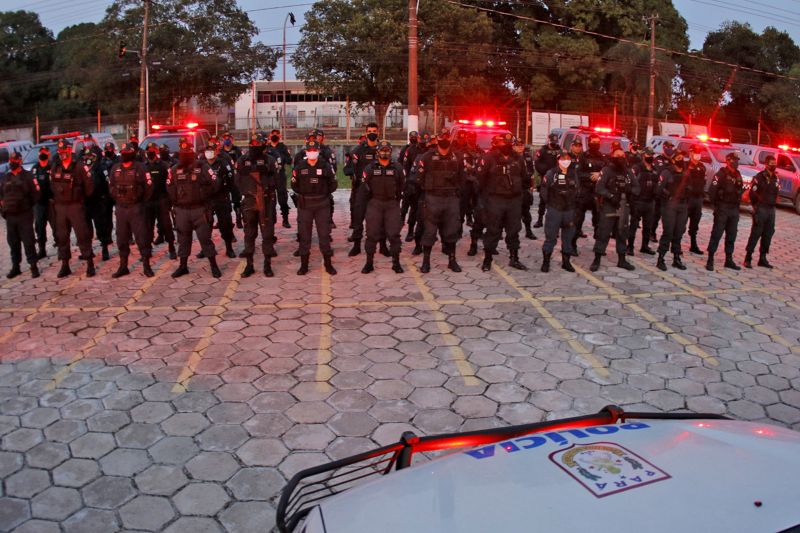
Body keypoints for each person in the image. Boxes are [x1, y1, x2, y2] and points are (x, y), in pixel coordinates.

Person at [167, 137, 221, 278]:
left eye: (188, 150)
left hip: (199, 209)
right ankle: (183, 266)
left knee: (205, 239)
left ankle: (214, 265)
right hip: (182, 210)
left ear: (193, 151)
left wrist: (204, 194)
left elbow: (215, 182)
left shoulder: (202, 166)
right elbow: (169, 186)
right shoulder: (174, 169)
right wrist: (176, 201)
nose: (185, 153)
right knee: (183, 239)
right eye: (183, 150)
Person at [415, 129, 464, 273]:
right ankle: (426, 262)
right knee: (429, 231)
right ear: (437, 139)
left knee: (451, 230)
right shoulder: (427, 157)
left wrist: (457, 194)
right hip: (433, 198)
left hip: (451, 198)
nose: (444, 139)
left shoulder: (457, 157)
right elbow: (419, 178)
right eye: (441, 137)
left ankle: (452, 261)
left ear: (450, 139)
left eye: (447, 137)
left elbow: (462, 177)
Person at [478, 133, 528, 272]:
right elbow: (480, 179)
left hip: (513, 200)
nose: (505, 146)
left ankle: (514, 258)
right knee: (493, 230)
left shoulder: (518, 158)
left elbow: (524, 177)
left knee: (514, 230)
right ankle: (488, 259)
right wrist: (485, 199)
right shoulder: (489, 158)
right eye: (503, 143)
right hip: (495, 199)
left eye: (508, 143)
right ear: (498, 144)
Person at [354, 140, 405, 274]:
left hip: (391, 204)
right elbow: (363, 188)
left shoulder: (397, 168)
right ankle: (369, 263)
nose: (384, 152)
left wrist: (396, 201)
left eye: (387, 150)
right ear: (377, 152)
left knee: (394, 235)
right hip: (375, 204)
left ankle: (396, 263)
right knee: (371, 235)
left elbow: (401, 186)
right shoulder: (370, 168)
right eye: (382, 150)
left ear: (391, 151)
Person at [235, 134, 280, 278]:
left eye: (258, 143)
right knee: (249, 234)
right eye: (252, 143)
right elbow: (238, 180)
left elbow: (276, 179)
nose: (255, 146)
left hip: (265, 200)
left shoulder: (270, 160)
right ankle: (249, 265)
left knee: (267, 234)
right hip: (249, 201)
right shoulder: (242, 160)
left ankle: (267, 265)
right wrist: (248, 192)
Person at [51, 139, 96, 278]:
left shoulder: (79, 166)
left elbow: (89, 187)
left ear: (69, 150)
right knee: (62, 237)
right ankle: (65, 265)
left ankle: (90, 263)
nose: (62, 154)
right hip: (60, 207)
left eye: (64, 151)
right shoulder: (55, 167)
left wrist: (80, 199)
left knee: (82, 235)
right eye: (60, 151)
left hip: (75, 206)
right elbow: (52, 185)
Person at [291, 140, 338, 275]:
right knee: (305, 236)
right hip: (305, 205)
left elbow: (333, 184)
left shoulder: (326, 166)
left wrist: (322, 193)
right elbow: (294, 185)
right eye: (309, 150)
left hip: (322, 204)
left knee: (324, 235)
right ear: (306, 152)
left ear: (318, 151)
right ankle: (304, 266)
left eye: (314, 150)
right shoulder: (300, 167)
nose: (312, 153)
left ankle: (328, 264)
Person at [590, 147, 639, 272]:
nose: (620, 158)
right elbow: (599, 188)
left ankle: (622, 260)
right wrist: (611, 196)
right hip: (609, 205)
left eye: (622, 155)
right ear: (612, 156)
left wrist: (628, 190)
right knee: (603, 233)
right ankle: (597, 259)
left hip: (624, 206)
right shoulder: (606, 170)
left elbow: (637, 188)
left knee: (622, 233)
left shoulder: (628, 172)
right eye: (617, 155)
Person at [109, 143, 153, 278]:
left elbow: (149, 187)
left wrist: (140, 202)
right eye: (123, 152)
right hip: (121, 209)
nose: (124, 155)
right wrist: (117, 198)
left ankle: (146, 265)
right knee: (121, 238)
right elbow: (111, 186)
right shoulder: (116, 168)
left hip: (136, 208)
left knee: (142, 238)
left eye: (127, 152)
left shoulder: (141, 168)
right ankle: (123, 266)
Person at [0, 151, 40, 278]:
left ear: (20, 161)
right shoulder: (6, 177)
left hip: (24, 214)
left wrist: (27, 206)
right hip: (10, 216)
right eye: (11, 160)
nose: (12, 162)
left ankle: (33, 266)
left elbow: (36, 194)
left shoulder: (28, 176)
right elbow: (1, 195)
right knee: (13, 242)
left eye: (15, 160)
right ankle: (15, 267)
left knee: (28, 241)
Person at [343, 123, 380, 255]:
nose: (372, 133)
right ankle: (357, 245)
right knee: (358, 217)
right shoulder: (358, 150)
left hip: (378, 191)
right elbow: (347, 168)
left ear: (378, 132)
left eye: (374, 131)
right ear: (365, 133)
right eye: (369, 131)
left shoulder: (382, 149)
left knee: (379, 218)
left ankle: (382, 245)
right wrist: (352, 173)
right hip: (361, 189)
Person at [706, 152, 745, 271]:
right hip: (722, 208)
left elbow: (739, 190)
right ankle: (710, 259)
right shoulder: (721, 174)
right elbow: (712, 191)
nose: (736, 162)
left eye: (737, 160)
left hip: (734, 209)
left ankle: (729, 259)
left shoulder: (738, 174)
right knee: (717, 234)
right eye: (734, 160)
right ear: (728, 161)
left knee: (731, 235)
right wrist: (716, 207)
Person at [540, 151, 577, 273]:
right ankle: (546, 262)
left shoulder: (573, 174)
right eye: (563, 158)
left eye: (567, 158)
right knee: (550, 237)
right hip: (555, 209)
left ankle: (566, 262)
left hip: (569, 210)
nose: (565, 160)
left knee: (568, 237)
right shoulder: (551, 173)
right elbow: (544, 190)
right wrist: (551, 204)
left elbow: (578, 190)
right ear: (558, 160)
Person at [199, 140, 237, 259]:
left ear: (216, 151)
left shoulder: (224, 164)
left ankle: (229, 248)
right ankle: (205, 249)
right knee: (205, 226)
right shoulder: (201, 164)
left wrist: (228, 194)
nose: (209, 153)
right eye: (207, 151)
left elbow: (231, 182)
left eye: (212, 150)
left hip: (221, 198)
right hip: (207, 200)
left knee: (225, 225)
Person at [655, 150, 690, 271]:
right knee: (668, 232)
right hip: (670, 205)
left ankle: (676, 258)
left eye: (683, 157)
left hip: (683, 205)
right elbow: (658, 189)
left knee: (679, 232)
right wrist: (668, 195)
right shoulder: (667, 172)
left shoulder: (686, 172)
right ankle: (661, 258)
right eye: (679, 158)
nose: (682, 160)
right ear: (673, 160)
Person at [572, 134, 604, 256]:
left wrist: (599, 175)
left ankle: (598, 247)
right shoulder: (583, 156)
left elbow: (606, 172)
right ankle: (572, 245)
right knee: (577, 221)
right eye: (593, 142)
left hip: (597, 193)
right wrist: (592, 176)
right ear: (589, 143)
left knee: (599, 221)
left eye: (597, 142)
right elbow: (577, 173)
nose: (595, 144)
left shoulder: (603, 157)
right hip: (584, 192)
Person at [744, 155, 779, 269]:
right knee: (756, 233)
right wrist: (756, 207)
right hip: (761, 208)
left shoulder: (775, 178)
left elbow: (776, 192)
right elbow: (752, 194)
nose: (773, 165)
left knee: (768, 234)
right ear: (766, 164)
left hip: (771, 210)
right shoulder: (759, 177)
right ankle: (748, 257)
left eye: (775, 163)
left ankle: (762, 258)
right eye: (771, 163)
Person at [143, 142, 176, 259]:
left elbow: (170, 183)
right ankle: (147, 250)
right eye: (148, 150)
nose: (150, 152)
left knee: (166, 225)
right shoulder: (144, 166)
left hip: (162, 200)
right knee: (147, 227)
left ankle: (172, 248)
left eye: (152, 150)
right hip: (148, 202)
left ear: (156, 151)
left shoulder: (164, 165)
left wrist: (170, 200)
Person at [83, 147, 114, 261]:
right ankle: (88, 250)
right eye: (86, 156)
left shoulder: (101, 168)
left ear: (95, 157)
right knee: (86, 229)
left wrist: (105, 198)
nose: (87, 158)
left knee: (101, 226)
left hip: (98, 202)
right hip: (86, 203)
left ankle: (104, 248)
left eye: (89, 156)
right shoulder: (83, 168)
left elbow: (107, 184)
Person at [627, 148, 659, 256]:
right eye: (649, 154)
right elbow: (629, 182)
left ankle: (644, 246)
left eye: (652, 154)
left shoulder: (655, 169)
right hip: (638, 201)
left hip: (650, 202)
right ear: (644, 155)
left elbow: (657, 184)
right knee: (634, 225)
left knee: (648, 226)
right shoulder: (637, 168)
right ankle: (630, 247)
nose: (651, 156)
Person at [533, 133, 562, 228]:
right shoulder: (543, 150)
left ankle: (555, 223)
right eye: (552, 142)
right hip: (545, 177)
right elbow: (537, 163)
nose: (554, 144)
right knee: (543, 199)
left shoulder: (559, 150)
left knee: (556, 201)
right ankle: (540, 220)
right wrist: (546, 171)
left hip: (557, 178)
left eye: (555, 142)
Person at [266, 129, 292, 229]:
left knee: (283, 198)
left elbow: (289, 161)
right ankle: (271, 220)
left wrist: (281, 157)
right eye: (273, 133)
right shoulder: (266, 148)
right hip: (269, 177)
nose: (275, 135)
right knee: (270, 199)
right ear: (270, 135)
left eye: (277, 134)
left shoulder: (283, 147)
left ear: (280, 136)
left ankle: (285, 219)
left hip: (280, 176)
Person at [31, 146, 54, 259]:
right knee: (40, 227)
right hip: (39, 204)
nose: (42, 154)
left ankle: (61, 247)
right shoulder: (35, 168)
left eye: (45, 152)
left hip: (51, 202)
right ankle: (42, 249)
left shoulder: (52, 167)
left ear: (48, 154)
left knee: (56, 226)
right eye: (41, 152)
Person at [686, 144, 707, 255]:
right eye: (696, 152)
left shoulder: (702, 166)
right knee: (681, 223)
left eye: (699, 152)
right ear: (691, 153)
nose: (698, 155)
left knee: (695, 223)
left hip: (698, 198)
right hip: (688, 199)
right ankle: (677, 245)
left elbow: (704, 181)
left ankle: (693, 245)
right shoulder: (686, 166)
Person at [518, 140, 537, 240]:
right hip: (514, 188)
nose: (520, 147)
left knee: (526, 211)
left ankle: (528, 231)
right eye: (517, 145)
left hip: (525, 187)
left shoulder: (527, 156)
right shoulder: (511, 157)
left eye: (521, 145)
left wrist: (530, 183)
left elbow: (531, 170)